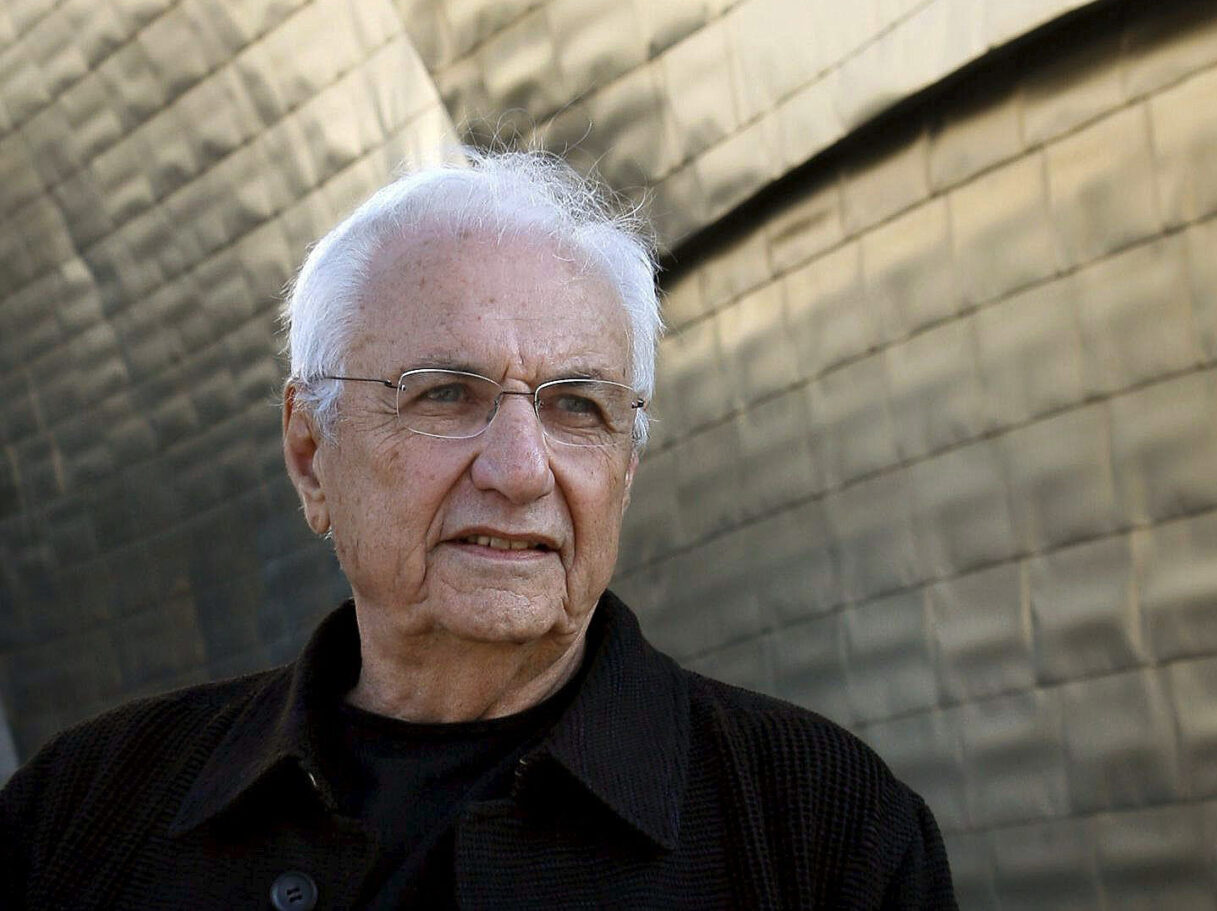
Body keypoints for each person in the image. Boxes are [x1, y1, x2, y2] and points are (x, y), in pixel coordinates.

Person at [0, 149, 956, 909]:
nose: (520, 468)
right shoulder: (81, 813)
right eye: (446, 394)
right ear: (310, 453)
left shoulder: (825, 833)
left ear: (625, 467)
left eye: (577, 406)